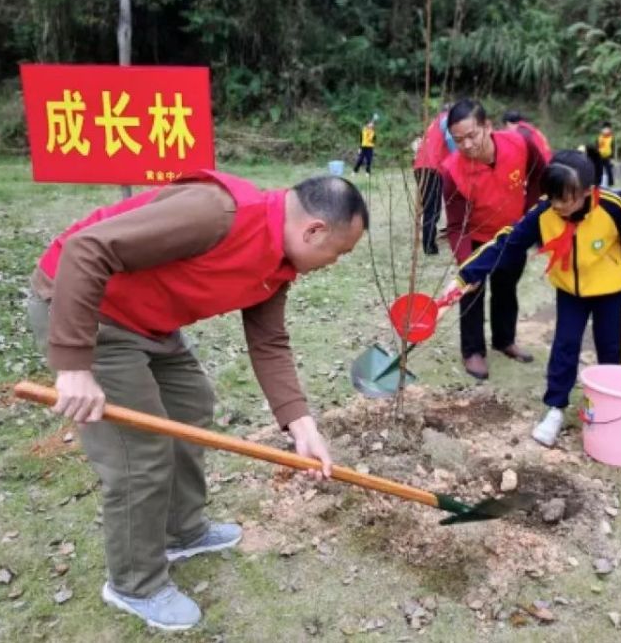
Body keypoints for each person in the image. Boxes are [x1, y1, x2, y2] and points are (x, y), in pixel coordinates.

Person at [27, 171, 368, 630]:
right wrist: (73, 365)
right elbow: (85, 249)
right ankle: (134, 583)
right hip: (88, 313)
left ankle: (180, 530)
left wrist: (301, 426)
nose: (336, 262)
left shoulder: (279, 261)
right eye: (339, 252)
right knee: (140, 452)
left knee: (191, 405)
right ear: (314, 231)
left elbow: (268, 340)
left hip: (150, 323)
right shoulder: (217, 213)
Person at [446, 150, 621, 446]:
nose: (558, 206)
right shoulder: (545, 212)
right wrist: (467, 275)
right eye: (552, 197)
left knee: (610, 345)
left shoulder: (612, 206)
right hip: (570, 291)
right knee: (564, 346)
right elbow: (509, 243)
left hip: (611, 288)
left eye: (566, 199)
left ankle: (612, 405)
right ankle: (556, 408)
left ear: (588, 191)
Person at [441, 99, 548, 380]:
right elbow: (456, 226)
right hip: (478, 239)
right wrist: (467, 266)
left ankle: (504, 340)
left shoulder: (520, 144)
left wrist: (531, 212)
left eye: (471, 135)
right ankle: (473, 351)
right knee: (472, 293)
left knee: (506, 289)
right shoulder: (453, 171)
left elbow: (540, 173)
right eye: (458, 139)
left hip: (513, 235)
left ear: (488, 127)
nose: (466, 145)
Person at [412, 105, 456, 255]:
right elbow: (451, 141)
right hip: (432, 167)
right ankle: (429, 246)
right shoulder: (447, 120)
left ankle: (428, 240)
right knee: (433, 209)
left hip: (420, 166)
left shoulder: (433, 123)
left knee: (429, 207)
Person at [597, 122, 615, 187]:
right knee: (599, 170)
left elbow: (613, 148)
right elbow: (597, 146)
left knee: (609, 170)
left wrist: (612, 158)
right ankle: (598, 183)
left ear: (610, 130)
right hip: (600, 156)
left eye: (607, 129)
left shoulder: (611, 138)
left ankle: (610, 184)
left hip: (608, 156)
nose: (606, 130)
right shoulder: (599, 137)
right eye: (604, 129)